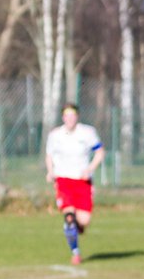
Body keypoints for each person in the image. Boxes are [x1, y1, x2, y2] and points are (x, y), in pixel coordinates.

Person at [44, 103, 104, 266]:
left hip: (82, 181)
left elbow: (99, 152)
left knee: (83, 221)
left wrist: (90, 168)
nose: (70, 119)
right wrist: (50, 171)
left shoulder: (87, 132)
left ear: (77, 116)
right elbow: (49, 155)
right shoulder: (55, 134)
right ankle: (75, 253)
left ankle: (75, 229)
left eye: (73, 115)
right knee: (69, 217)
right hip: (63, 180)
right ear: (63, 117)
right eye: (66, 116)